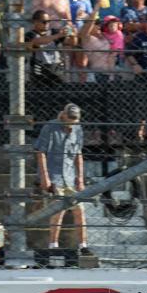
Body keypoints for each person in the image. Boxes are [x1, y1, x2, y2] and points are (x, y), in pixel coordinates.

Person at [34, 103, 90, 255]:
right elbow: (41, 152)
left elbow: (78, 154)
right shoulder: (50, 127)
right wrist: (45, 177)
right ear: (63, 115)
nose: (72, 122)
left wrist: (80, 178)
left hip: (70, 176)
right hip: (54, 175)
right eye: (70, 118)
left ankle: (83, 245)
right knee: (58, 209)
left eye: (75, 119)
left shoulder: (78, 129)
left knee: (79, 209)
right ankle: (53, 245)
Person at [25, 9, 69, 87]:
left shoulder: (54, 32)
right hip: (39, 70)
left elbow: (70, 43)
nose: (47, 24)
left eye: (49, 21)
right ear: (35, 22)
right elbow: (37, 42)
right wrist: (58, 35)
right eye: (44, 22)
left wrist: (72, 34)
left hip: (55, 69)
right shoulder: (30, 34)